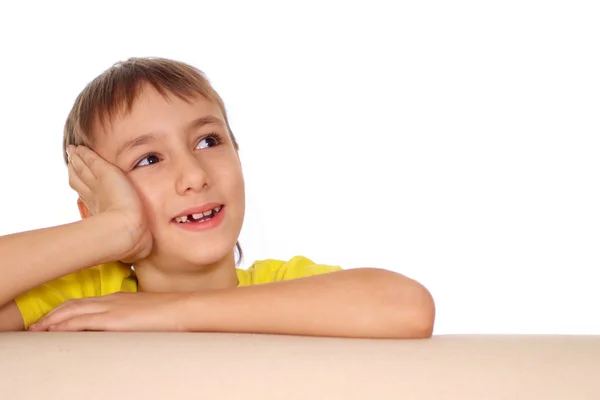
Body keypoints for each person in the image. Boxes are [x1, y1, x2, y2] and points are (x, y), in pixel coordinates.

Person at [0, 57, 435, 338]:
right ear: (93, 211)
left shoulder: (284, 288)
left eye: (208, 141)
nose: (193, 175)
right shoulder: (85, 300)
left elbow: (408, 307)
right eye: (148, 159)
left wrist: (168, 313)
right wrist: (115, 228)